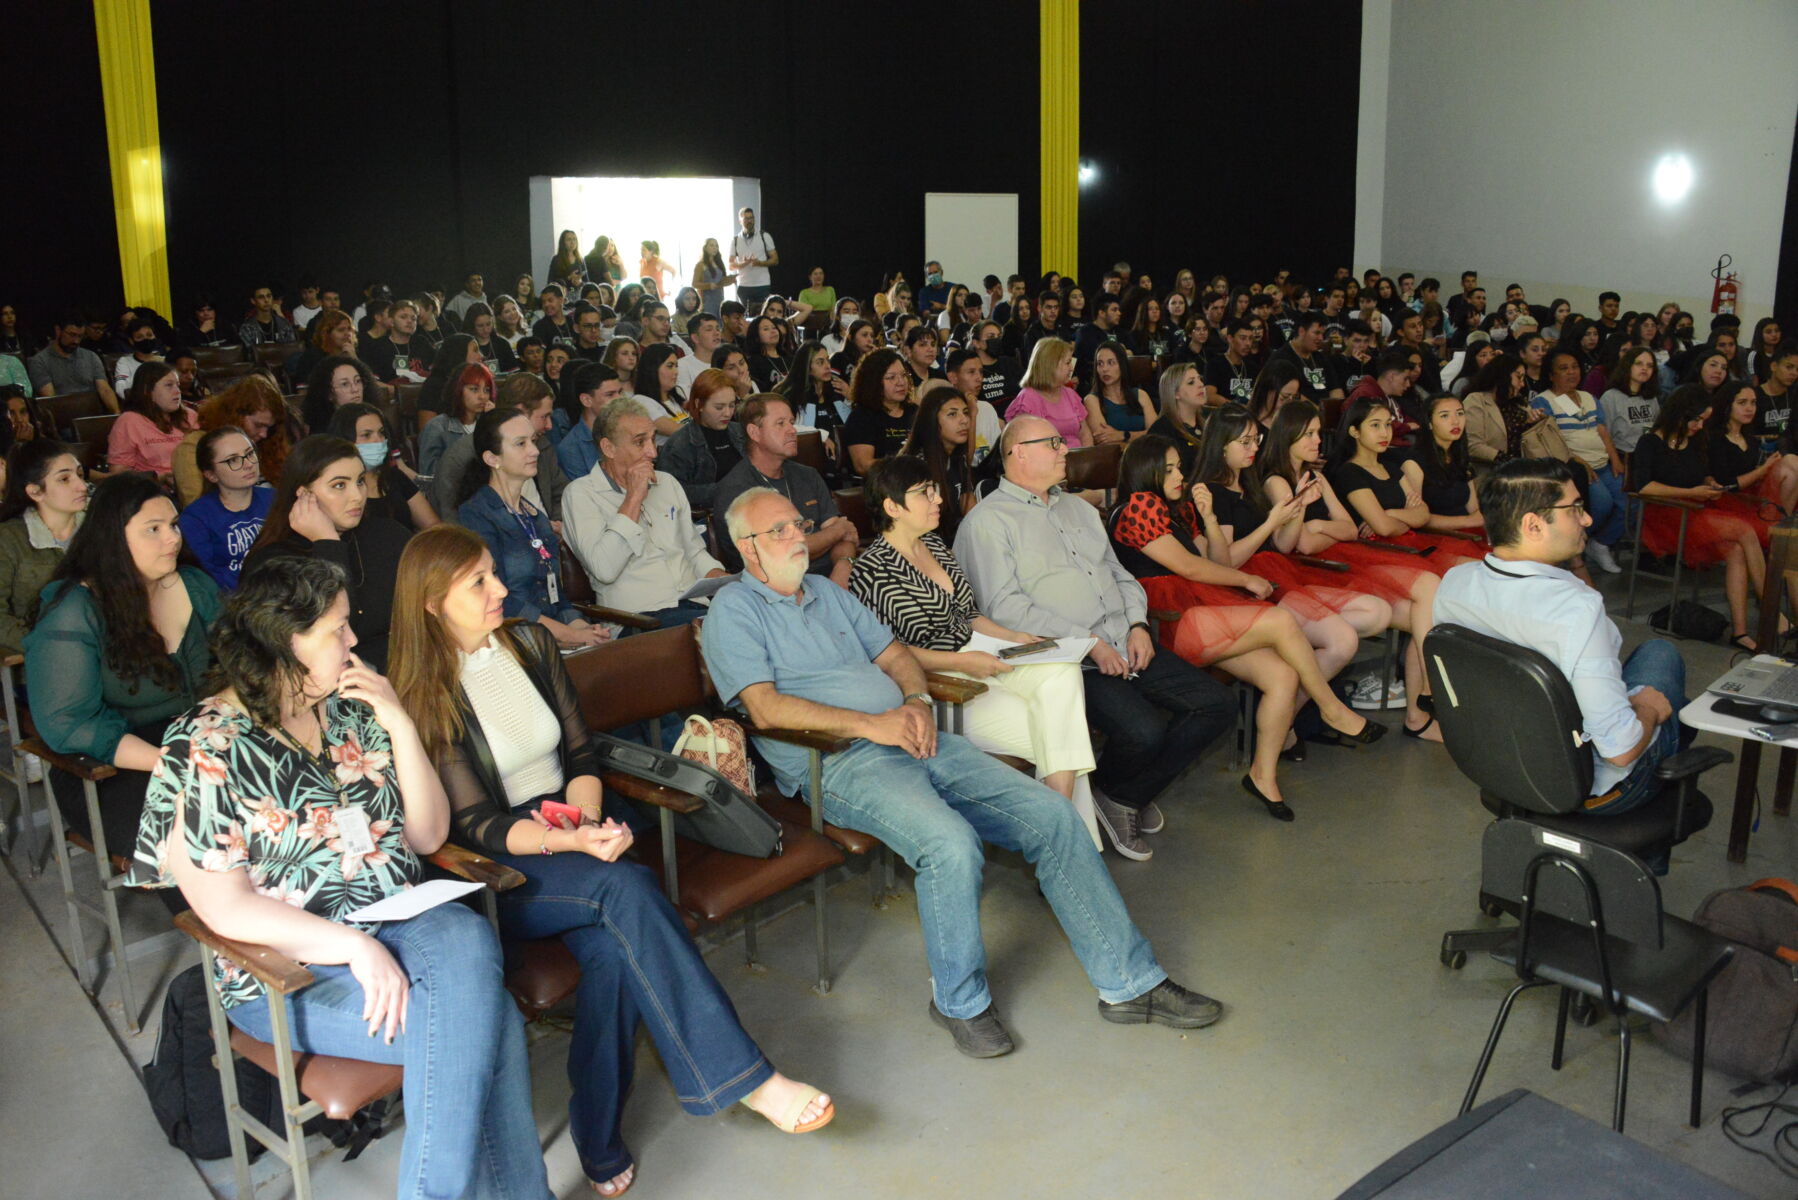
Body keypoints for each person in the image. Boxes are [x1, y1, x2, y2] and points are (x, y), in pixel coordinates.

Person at [386, 527, 830, 1195]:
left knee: (615, 953)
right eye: (478, 582)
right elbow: (476, 823)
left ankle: (598, 1135)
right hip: (500, 867)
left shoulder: (530, 645)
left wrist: (586, 824)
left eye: (494, 572)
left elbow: (580, 752)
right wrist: (569, 842)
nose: (500, 588)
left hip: (570, 826)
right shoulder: (425, 692)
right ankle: (747, 1079)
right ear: (430, 602)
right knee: (625, 891)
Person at [707, 484, 1224, 1056]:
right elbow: (764, 709)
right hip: (837, 760)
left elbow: (895, 654)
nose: (798, 537)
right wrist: (873, 725)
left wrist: (915, 701)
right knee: (951, 845)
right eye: (779, 530)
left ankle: (1130, 985)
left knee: (1053, 815)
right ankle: (959, 1001)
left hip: (915, 736)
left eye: (798, 524)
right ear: (747, 547)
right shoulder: (734, 610)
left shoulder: (827, 593)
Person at [121, 554, 553, 1196]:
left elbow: (427, 835)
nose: (354, 641)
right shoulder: (204, 746)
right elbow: (225, 909)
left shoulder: (354, 709)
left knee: (466, 936)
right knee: (490, 1026)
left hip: (399, 917)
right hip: (289, 968)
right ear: (284, 644)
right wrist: (353, 946)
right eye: (337, 629)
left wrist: (399, 724)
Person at [956, 417, 1236, 858]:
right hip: (1066, 660)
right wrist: (1088, 641)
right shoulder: (987, 523)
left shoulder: (1080, 510)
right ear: (1018, 453)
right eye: (1052, 443)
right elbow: (1003, 607)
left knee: (1216, 704)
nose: (1064, 449)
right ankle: (1126, 792)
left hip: (1123, 637)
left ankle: (1121, 793)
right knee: (1143, 732)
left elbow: (1121, 576)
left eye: (1061, 441)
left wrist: (1138, 625)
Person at [1433, 459, 1696, 861]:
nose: (1587, 518)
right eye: (1574, 508)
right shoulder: (1576, 610)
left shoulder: (1454, 583)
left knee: (1651, 670)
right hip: (1584, 786)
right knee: (1662, 661)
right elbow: (1620, 749)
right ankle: (1647, 855)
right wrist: (1648, 708)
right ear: (1533, 525)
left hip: (1498, 766)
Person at [1109, 435, 1384, 818]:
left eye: (1179, 467)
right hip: (1165, 619)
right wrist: (1245, 580)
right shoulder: (1138, 506)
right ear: (1145, 471)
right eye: (1168, 469)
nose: (1179, 476)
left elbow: (1216, 561)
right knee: (1280, 619)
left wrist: (1208, 518)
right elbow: (1188, 568)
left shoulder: (1176, 508)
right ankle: (1330, 707)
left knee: (1283, 676)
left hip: (1200, 610)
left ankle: (1262, 776)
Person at [849, 455, 1102, 843]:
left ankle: (1059, 836)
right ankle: (1068, 840)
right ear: (892, 507)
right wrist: (963, 662)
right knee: (1064, 738)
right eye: (924, 493)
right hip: (938, 683)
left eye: (935, 489)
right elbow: (888, 653)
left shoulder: (934, 544)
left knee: (1062, 688)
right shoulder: (871, 571)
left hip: (978, 654)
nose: (938, 499)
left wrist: (1015, 637)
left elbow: (968, 615)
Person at [24, 474, 218, 867]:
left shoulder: (192, 584)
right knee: (199, 836)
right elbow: (68, 723)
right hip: (112, 764)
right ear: (113, 539)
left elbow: (240, 663)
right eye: (153, 529)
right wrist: (171, 761)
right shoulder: (75, 608)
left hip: (198, 739)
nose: (173, 538)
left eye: (173, 525)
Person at [1256, 401, 1447, 737]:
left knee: (1424, 614)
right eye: (1309, 434)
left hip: (1338, 557)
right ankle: (1285, 719)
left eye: (1318, 432)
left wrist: (1320, 527)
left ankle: (1419, 711)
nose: (1318, 440)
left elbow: (1347, 527)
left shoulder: (1316, 476)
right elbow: (1301, 545)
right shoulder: (1277, 481)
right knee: (1422, 601)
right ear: (1289, 435)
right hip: (1310, 568)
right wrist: (1323, 531)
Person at [1630, 384, 1781, 652]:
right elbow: (1644, 486)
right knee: (1744, 530)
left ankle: (1740, 632)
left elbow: (1701, 473)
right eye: (1696, 420)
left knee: (1736, 550)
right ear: (1680, 414)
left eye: (1703, 421)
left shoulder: (1695, 440)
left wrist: (1709, 483)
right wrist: (1691, 493)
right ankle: (1772, 614)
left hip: (1694, 507)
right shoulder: (1650, 442)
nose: (1699, 426)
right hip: (1665, 513)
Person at [244, 436, 412, 668]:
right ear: (303, 494)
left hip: (406, 669)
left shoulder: (388, 534)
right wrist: (327, 543)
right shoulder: (274, 562)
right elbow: (340, 631)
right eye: (339, 485)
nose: (357, 496)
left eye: (360, 481)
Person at [561, 398, 727, 627]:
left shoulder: (667, 483)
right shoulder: (581, 494)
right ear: (609, 448)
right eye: (640, 442)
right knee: (722, 630)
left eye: (653, 439)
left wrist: (721, 579)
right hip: (639, 619)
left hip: (694, 606)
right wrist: (633, 498)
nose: (653, 452)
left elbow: (694, 552)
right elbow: (604, 569)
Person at [456, 408, 607, 649]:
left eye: (533, 441)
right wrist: (570, 635)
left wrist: (581, 628)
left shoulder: (534, 516)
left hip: (552, 638)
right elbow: (498, 599)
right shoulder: (477, 515)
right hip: (514, 642)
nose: (535, 451)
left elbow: (556, 594)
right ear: (492, 459)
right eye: (521, 444)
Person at [710, 394, 856, 583]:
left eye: (791, 422)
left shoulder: (808, 475)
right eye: (780, 423)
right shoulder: (737, 490)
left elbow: (846, 537)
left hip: (830, 579)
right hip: (772, 587)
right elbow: (780, 553)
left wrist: (842, 569)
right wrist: (836, 532)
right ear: (754, 432)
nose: (792, 430)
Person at [1531, 348, 1627, 574]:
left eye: (1575, 367)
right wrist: (1577, 461)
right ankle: (1575, 544)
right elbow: (1550, 440)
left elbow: (1601, 430)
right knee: (1602, 504)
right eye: (1564, 369)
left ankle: (1599, 544)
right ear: (1551, 375)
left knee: (1630, 501)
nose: (1571, 372)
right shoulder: (1543, 401)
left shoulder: (1589, 398)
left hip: (1603, 464)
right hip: (1577, 469)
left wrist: (1615, 459)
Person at [431, 375, 569, 526]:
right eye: (544, 417)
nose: (549, 425)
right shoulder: (461, 457)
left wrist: (557, 526)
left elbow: (561, 494)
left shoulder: (542, 444)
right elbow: (453, 522)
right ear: (519, 412)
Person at [0, 439, 85, 651]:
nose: (82, 486)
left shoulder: (100, 528)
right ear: (35, 491)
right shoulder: (9, 540)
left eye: (80, 475)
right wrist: (44, 645)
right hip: (37, 654)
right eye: (65, 479)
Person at [178, 426, 273, 589]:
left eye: (250, 454)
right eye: (233, 460)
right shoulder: (195, 518)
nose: (248, 464)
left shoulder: (274, 499)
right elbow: (206, 578)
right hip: (236, 598)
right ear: (211, 475)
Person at [325, 402, 438, 531]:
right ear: (345, 441)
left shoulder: (395, 477)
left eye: (381, 433)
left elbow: (431, 523)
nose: (378, 440)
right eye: (366, 435)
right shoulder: (335, 489)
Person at [895, 382, 979, 545]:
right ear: (932, 420)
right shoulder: (914, 466)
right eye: (952, 414)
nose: (964, 421)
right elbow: (915, 530)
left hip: (954, 542)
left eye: (965, 412)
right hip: (923, 546)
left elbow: (970, 508)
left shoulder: (957, 458)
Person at [660, 368, 746, 510]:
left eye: (732, 405)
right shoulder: (679, 445)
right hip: (709, 514)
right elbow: (672, 492)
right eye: (719, 407)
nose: (728, 413)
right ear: (698, 404)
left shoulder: (741, 432)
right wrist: (724, 491)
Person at [1402, 395, 1486, 539]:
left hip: (1467, 534)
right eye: (1445, 416)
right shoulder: (1414, 463)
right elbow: (1416, 518)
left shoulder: (1460, 457)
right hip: (1435, 537)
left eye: (1460, 413)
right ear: (1429, 423)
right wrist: (1467, 521)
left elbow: (1473, 510)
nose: (1455, 421)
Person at [1710, 380, 1798, 514]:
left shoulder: (1749, 437)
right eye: (1742, 403)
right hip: (1727, 499)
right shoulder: (1716, 438)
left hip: (1752, 492)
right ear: (1727, 405)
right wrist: (1764, 469)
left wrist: (1767, 466)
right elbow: (1727, 485)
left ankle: (1783, 519)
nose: (1749, 408)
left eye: (1753, 403)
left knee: (1792, 461)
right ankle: (1778, 520)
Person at [108, 361, 199, 481]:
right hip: (153, 487)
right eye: (169, 385)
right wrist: (159, 477)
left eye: (177, 385)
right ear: (147, 390)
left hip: (195, 480)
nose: (177, 391)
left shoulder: (189, 415)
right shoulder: (128, 422)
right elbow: (118, 474)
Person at [1006, 338, 1093, 451]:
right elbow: (1027, 445)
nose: (1071, 368)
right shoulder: (1028, 399)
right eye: (1067, 363)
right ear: (1051, 365)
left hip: (1078, 458)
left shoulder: (1070, 394)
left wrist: (1087, 457)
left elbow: (1085, 433)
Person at [843, 348, 918, 476]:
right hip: (885, 482)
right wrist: (904, 466)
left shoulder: (915, 411)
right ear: (874, 382)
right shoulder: (862, 417)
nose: (901, 382)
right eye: (891, 377)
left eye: (904, 375)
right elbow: (863, 465)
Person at [417, 359, 495, 479]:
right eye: (474, 389)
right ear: (458, 390)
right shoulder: (437, 427)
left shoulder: (489, 422)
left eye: (487, 390)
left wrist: (493, 422)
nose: (482, 396)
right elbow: (429, 475)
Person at [28, 312, 120, 410]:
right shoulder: (39, 361)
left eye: (80, 336)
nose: (76, 341)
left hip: (92, 411)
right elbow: (51, 399)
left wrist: (117, 413)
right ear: (58, 331)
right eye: (72, 335)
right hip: (63, 413)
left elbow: (105, 390)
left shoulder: (91, 357)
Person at [1084, 341, 1156, 444]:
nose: (1104, 369)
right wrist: (1143, 435)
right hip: (1116, 454)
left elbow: (1156, 435)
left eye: (1111, 363)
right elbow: (1105, 441)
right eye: (1100, 364)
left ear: (1122, 365)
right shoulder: (1092, 400)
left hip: (1147, 453)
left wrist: (1123, 435)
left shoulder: (1141, 395)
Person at [1598, 345, 1663, 458]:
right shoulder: (1611, 397)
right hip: (1622, 456)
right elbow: (1603, 435)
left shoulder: (1652, 398)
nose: (1645, 368)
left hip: (1649, 455)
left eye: (1649, 366)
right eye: (1639, 364)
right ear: (1627, 366)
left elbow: (1657, 430)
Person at [1148, 360, 1206, 471]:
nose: (1201, 385)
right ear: (1175, 393)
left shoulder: (1209, 420)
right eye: (1191, 382)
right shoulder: (1161, 431)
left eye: (1200, 379)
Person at [630, 343, 689, 444]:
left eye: (676, 366)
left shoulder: (676, 396)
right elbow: (680, 432)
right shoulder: (641, 401)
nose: (676, 372)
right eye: (670, 366)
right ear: (652, 369)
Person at [730, 208, 778, 307]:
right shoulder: (735, 240)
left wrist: (760, 263)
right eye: (746, 218)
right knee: (746, 315)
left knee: (762, 314)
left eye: (751, 218)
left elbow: (775, 260)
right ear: (740, 221)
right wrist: (743, 264)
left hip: (762, 284)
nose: (749, 221)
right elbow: (731, 265)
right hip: (743, 285)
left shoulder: (764, 236)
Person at [692, 237, 732, 316]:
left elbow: (721, 280)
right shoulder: (700, 265)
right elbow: (694, 283)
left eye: (716, 246)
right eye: (711, 245)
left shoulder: (719, 263)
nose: (715, 248)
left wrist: (729, 280)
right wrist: (708, 285)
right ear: (705, 248)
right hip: (707, 300)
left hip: (720, 298)